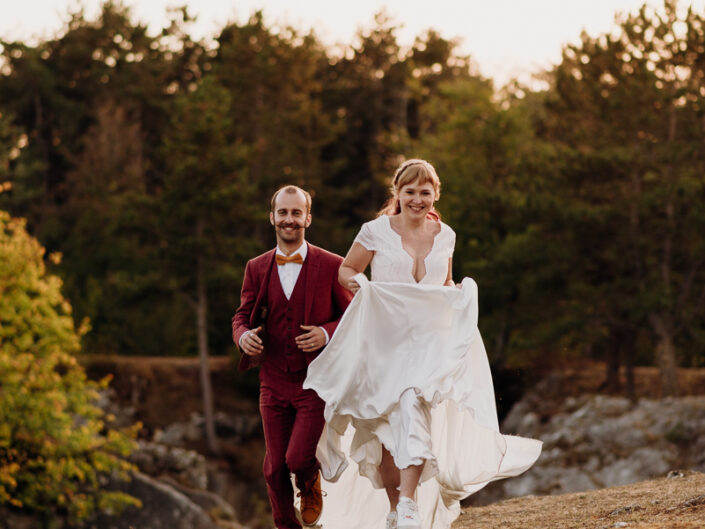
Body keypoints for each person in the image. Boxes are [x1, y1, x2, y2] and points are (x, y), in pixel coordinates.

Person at [303, 159, 542, 529]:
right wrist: (361, 287)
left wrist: (457, 292)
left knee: (413, 404)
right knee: (383, 428)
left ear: (435, 195)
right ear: (397, 194)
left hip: (428, 346)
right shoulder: (375, 231)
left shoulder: (445, 235)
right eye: (410, 191)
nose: (417, 199)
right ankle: (394, 507)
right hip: (384, 342)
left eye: (424, 192)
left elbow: (442, 284)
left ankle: (410, 503)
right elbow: (346, 270)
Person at [232, 185, 353, 529]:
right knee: (273, 468)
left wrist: (326, 332)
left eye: (296, 213)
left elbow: (355, 315)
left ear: (308, 218)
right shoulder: (256, 267)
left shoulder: (332, 265)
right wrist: (243, 338)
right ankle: (287, 525)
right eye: (283, 213)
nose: (289, 220)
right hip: (272, 379)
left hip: (315, 380)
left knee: (298, 457)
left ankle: (310, 480)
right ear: (272, 217)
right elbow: (241, 316)